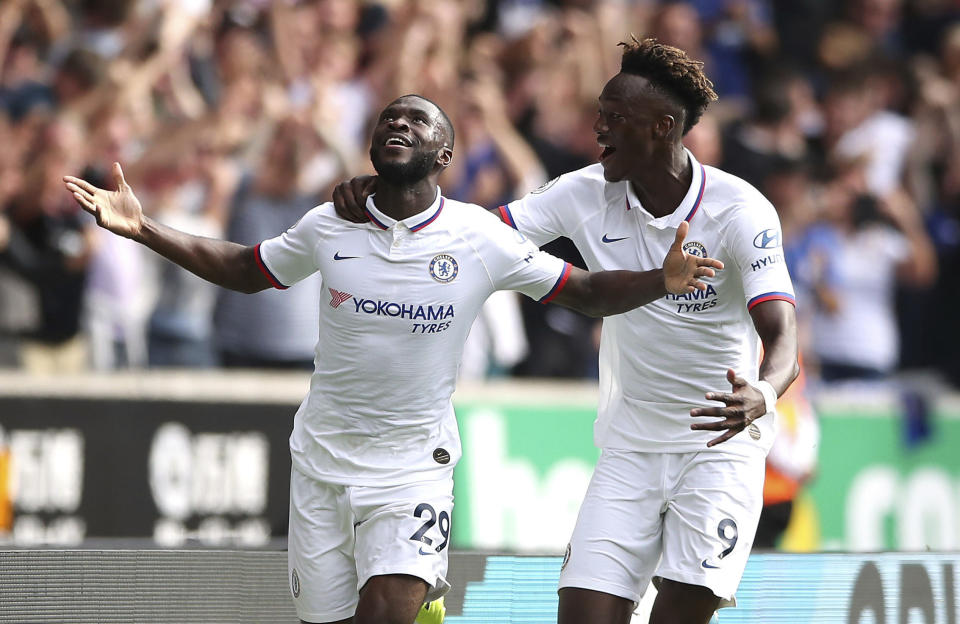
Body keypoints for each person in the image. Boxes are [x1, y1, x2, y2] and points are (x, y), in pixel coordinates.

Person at [64, 94, 723, 624]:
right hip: (323, 458)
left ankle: (419, 594)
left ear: (444, 152)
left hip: (414, 467)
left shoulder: (479, 237)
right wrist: (144, 227)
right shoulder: (330, 224)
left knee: (385, 612)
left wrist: (657, 279)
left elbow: (581, 291)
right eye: (388, 118)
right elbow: (245, 269)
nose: (398, 124)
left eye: (417, 120)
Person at [334, 40, 800, 624]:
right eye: (599, 112)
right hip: (629, 447)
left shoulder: (739, 210)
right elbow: (469, 234)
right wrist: (382, 196)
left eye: (614, 118)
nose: (597, 126)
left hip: (720, 450)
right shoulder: (583, 192)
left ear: (662, 127)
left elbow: (782, 334)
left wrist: (763, 391)